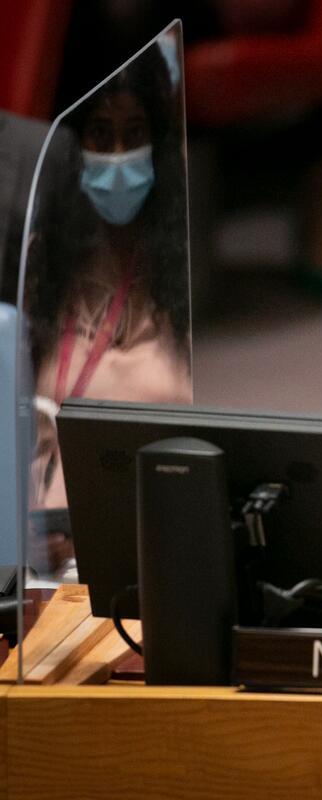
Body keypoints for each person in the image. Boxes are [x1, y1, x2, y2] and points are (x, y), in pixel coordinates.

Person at [26, 44, 191, 515]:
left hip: (159, 513)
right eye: (100, 134)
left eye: (134, 134)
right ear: (74, 143)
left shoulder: (182, 268)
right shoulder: (43, 260)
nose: (118, 155)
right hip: (51, 528)